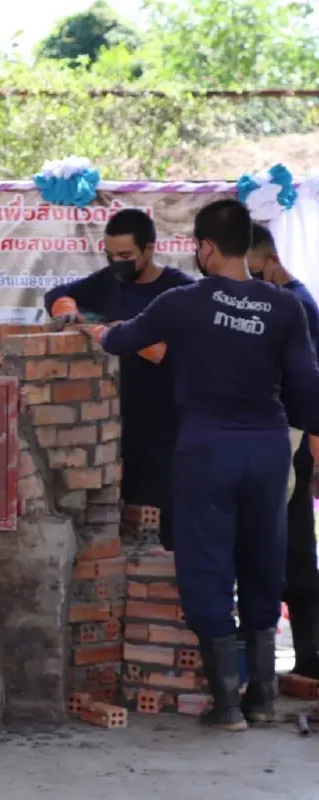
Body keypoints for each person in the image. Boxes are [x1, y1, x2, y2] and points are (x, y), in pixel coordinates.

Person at [99, 199, 319, 732]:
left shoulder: (184, 302)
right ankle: (262, 698)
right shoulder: (284, 306)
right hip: (268, 449)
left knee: (206, 563)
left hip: (207, 449)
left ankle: (226, 706)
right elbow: (307, 388)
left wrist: (97, 332)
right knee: (263, 556)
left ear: (205, 248)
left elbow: (121, 339)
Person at [44, 209, 194, 551]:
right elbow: (56, 295)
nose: (117, 263)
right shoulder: (109, 282)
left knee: (163, 519)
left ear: (150, 249)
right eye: (110, 256)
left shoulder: (180, 290)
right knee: (119, 519)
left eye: (126, 256)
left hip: (169, 424)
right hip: (117, 421)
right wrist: (66, 310)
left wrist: (124, 335)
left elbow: (176, 351)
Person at [248, 223, 319, 678]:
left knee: (295, 553)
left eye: (255, 273)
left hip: (296, 442)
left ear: (271, 261)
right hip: (275, 439)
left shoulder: (299, 307)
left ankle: (310, 657)